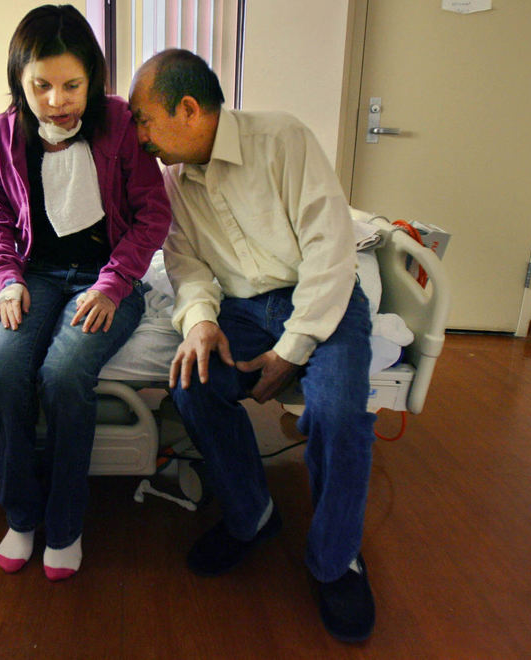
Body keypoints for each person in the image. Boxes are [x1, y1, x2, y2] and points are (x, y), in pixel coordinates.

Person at [129, 49, 376, 642]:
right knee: (192, 386)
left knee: (339, 412)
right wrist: (200, 324)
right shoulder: (175, 181)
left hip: (323, 298)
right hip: (241, 310)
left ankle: (335, 560)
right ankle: (252, 515)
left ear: (188, 109)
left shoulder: (282, 139)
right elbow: (185, 265)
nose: (140, 138)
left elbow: (330, 249)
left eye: (143, 120)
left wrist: (294, 347)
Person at [0, 5, 171, 582]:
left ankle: (64, 524)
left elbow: (152, 214)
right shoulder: (1, 134)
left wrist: (114, 285)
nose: (57, 101)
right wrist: (6, 278)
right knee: (3, 373)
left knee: (63, 376)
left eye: (71, 85)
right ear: (19, 79)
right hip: (34, 275)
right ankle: (21, 516)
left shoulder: (117, 123)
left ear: (93, 79)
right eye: (41, 85)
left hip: (109, 277)